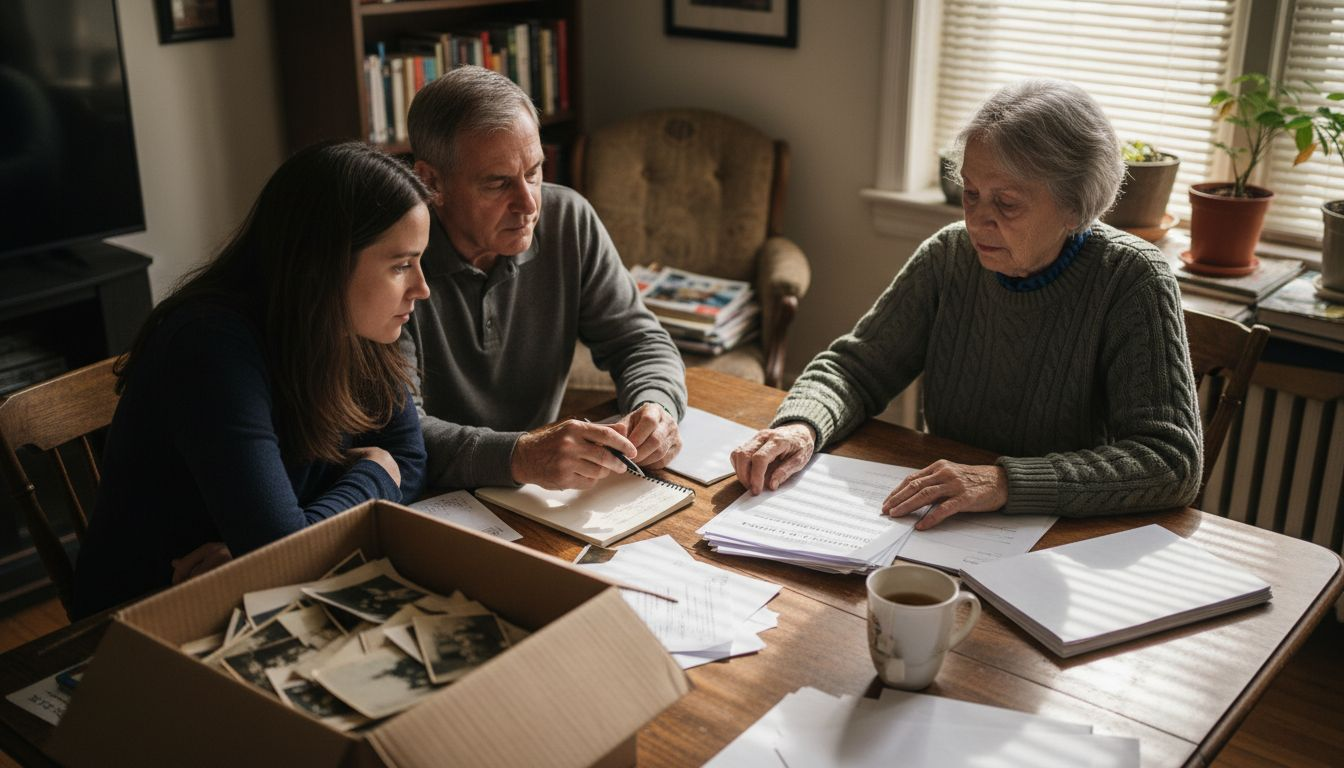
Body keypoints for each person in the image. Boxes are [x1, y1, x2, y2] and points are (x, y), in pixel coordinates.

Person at [731, 79, 1202, 529]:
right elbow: (855, 369)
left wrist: (1004, 482)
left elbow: (1170, 460)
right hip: (942, 520)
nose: (977, 221)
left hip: (1064, 537)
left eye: (1007, 203)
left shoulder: (1132, 278)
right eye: (971, 193)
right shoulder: (949, 255)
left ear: (1076, 206)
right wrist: (801, 428)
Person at [71, 141, 431, 619]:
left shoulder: (350, 325)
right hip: (149, 615)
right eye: (401, 265)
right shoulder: (209, 346)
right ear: (324, 264)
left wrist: (256, 554)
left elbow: (409, 458)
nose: (421, 288)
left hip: (266, 589)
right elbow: (282, 550)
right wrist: (373, 476)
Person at [402, 65, 686, 492]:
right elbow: (402, 432)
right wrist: (522, 455)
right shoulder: (392, 260)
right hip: (435, 498)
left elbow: (639, 341)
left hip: (542, 492)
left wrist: (656, 407)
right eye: (498, 184)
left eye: (533, 172)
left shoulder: (569, 219)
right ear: (431, 181)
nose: (528, 203)